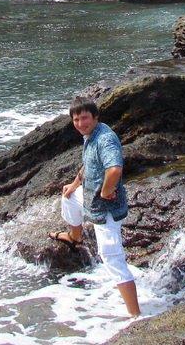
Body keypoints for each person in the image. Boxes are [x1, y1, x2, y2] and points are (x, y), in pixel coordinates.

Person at [48, 96, 140, 317]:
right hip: (88, 198)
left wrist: (107, 191)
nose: (80, 124)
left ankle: (136, 316)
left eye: (85, 118)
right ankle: (75, 238)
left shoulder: (105, 139)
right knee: (68, 198)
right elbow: (89, 164)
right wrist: (74, 184)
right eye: (76, 120)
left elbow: (114, 169)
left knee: (113, 260)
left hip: (106, 210)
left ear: (96, 117)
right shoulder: (90, 136)